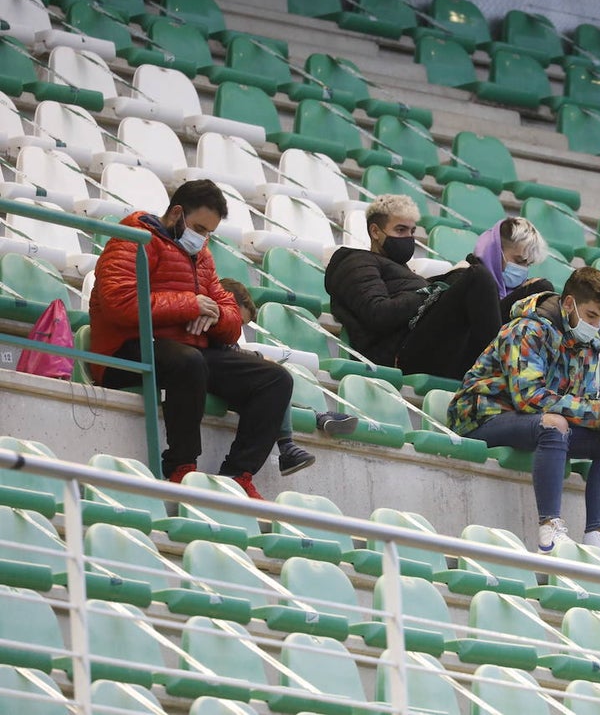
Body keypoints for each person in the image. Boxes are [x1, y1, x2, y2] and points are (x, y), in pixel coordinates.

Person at [89, 180, 292, 499]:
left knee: (274, 379)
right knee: (187, 361)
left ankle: (238, 475)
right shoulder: (133, 237)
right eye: (199, 227)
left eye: (209, 231)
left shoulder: (203, 256)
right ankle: (180, 466)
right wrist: (189, 305)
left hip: (185, 352)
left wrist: (213, 316)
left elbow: (229, 313)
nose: (203, 237)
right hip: (125, 351)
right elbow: (119, 303)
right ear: (177, 213)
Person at [447, 267, 600, 569]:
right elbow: (528, 397)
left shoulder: (587, 344)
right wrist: (595, 411)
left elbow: (577, 401)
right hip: (483, 415)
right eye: (592, 316)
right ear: (569, 304)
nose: (596, 325)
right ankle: (549, 532)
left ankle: (598, 537)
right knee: (556, 425)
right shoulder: (526, 330)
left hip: (528, 421)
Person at [470, 216, 600, 471]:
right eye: (519, 261)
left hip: (533, 374)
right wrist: (595, 412)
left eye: (528, 263)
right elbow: (528, 394)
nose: (522, 269)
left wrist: (599, 412)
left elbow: (572, 397)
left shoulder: (562, 328)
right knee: (543, 289)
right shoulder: (472, 278)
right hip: (493, 376)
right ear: (494, 250)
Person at [324, 194, 502, 380]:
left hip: (435, 349)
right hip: (400, 355)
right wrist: (435, 291)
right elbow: (378, 313)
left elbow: (421, 297)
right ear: (375, 232)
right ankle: (501, 368)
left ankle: (507, 368)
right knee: (477, 276)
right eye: (400, 230)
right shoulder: (356, 262)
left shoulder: (405, 271)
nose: (408, 238)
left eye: (412, 231)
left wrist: (451, 280)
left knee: (530, 291)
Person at [219, 279, 360, 475]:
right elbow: (225, 352)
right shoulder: (211, 322)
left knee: (274, 382)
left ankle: (311, 421)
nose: (236, 330)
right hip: (213, 380)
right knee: (272, 378)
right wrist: (260, 358)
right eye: (239, 322)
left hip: (231, 381)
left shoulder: (224, 327)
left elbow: (231, 350)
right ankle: (295, 438)